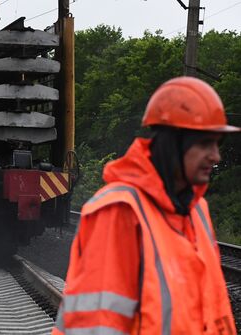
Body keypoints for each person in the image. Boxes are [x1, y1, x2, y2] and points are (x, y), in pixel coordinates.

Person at [51, 77, 238, 335]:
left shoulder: (197, 210)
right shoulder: (120, 210)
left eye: (218, 144)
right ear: (174, 144)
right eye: (205, 143)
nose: (215, 156)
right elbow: (97, 325)